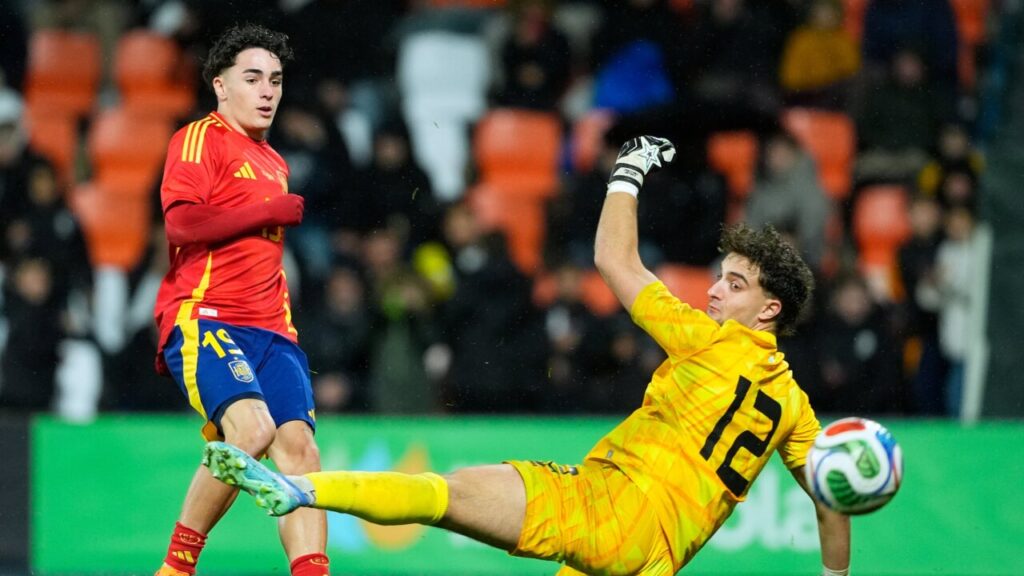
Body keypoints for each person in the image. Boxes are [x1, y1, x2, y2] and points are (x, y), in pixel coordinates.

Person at [203, 136, 851, 575]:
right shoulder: (795, 409)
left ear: (770, 311)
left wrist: (627, 172)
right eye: (720, 274)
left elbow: (614, 261)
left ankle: (298, 490)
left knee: (446, 494)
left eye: (735, 285)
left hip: (608, 508)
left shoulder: (709, 341)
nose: (713, 288)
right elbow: (830, 497)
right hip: (654, 561)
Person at [151, 24, 330, 576]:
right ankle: (177, 568)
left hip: (273, 331)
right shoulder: (199, 137)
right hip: (207, 319)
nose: (267, 91)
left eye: (275, 80)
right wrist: (265, 212)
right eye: (252, 78)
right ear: (220, 86)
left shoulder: (274, 162)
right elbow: (181, 224)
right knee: (251, 432)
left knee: (300, 450)